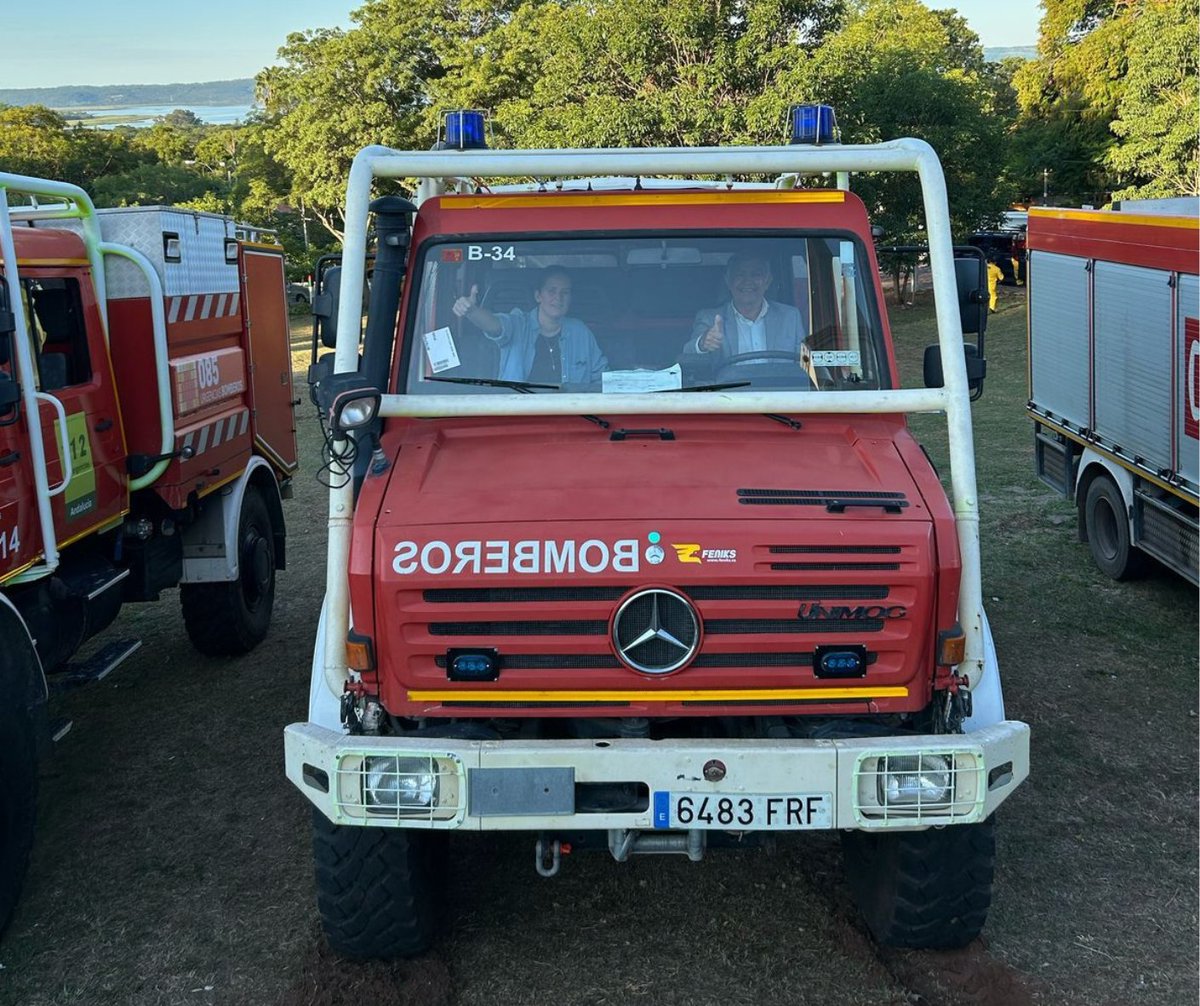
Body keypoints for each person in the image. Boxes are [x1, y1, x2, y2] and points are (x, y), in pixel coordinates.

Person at [452, 267, 607, 386]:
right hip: (519, 416)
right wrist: (472, 311)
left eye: (565, 292)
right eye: (551, 291)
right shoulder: (518, 323)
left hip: (573, 418)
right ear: (538, 296)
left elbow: (601, 379)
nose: (558, 298)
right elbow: (494, 326)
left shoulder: (580, 332)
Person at [680, 253, 814, 383]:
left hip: (782, 396)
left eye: (756, 274)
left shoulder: (790, 316)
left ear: (768, 281)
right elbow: (687, 355)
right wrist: (703, 343)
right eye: (740, 274)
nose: (747, 281)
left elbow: (805, 362)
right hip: (727, 398)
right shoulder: (710, 318)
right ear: (728, 281)